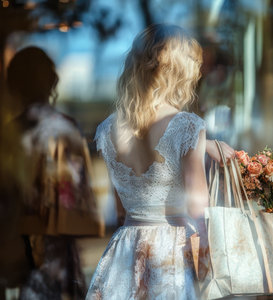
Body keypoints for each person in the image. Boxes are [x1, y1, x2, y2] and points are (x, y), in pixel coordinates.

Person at [86, 24, 234, 299]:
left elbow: (119, 210)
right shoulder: (188, 126)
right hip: (172, 251)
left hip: (125, 249)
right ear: (179, 69)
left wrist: (205, 147)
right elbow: (198, 205)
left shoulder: (106, 131)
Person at [3, 47, 90, 299]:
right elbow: (75, 202)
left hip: (16, 252)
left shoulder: (8, 135)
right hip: (56, 252)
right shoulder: (65, 129)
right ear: (50, 82)